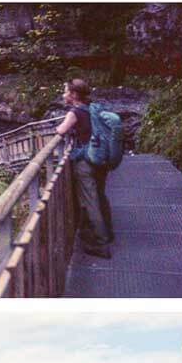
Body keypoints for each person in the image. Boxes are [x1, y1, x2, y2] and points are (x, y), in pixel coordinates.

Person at [56, 78, 113, 257]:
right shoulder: (92, 108)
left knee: (90, 200)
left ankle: (101, 244)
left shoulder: (74, 112)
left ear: (73, 95)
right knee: (100, 195)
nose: (63, 94)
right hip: (100, 159)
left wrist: (60, 127)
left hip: (86, 161)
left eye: (65, 91)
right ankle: (108, 233)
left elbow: (60, 131)